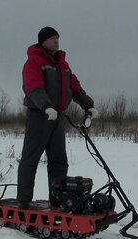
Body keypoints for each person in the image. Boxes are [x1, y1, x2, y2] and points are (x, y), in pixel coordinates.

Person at [17, 26, 98, 209]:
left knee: (59, 160)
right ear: (43, 41)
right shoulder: (34, 62)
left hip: (57, 118)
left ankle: (57, 198)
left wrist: (88, 104)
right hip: (40, 115)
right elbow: (33, 87)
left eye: (57, 38)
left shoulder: (63, 65)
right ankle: (23, 200)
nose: (56, 41)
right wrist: (46, 106)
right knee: (31, 158)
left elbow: (75, 87)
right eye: (53, 38)